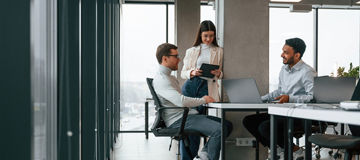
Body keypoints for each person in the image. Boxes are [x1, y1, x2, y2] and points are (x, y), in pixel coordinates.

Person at [153, 43, 232, 160]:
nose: (179, 59)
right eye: (175, 56)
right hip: (179, 120)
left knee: (227, 125)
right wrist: (203, 99)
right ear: (165, 58)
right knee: (220, 130)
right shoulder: (162, 79)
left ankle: (204, 155)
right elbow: (181, 101)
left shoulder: (171, 77)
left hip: (187, 116)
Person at [242, 38, 317, 159]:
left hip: (298, 115)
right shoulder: (284, 69)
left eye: (286, 52)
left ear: (297, 55)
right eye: (283, 51)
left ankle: (296, 150)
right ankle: (278, 149)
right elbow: (280, 91)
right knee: (249, 121)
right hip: (282, 112)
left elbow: (312, 97)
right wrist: (260, 99)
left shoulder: (307, 72)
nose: (282, 55)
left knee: (264, 127)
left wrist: (289, 98)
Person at [180, 20, 224, 160]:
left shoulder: (219, 51)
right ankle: (189, 157)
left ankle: (202, 155)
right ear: (200, 34)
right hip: (191, 86)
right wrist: (192, 72)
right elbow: (183, 72)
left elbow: (222, 72)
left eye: (211, 36)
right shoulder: (191, 51)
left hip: (207, 88)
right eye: (205, 36)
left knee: (200, 126)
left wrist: (219, 74)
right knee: (189, 127)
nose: (208, 39)